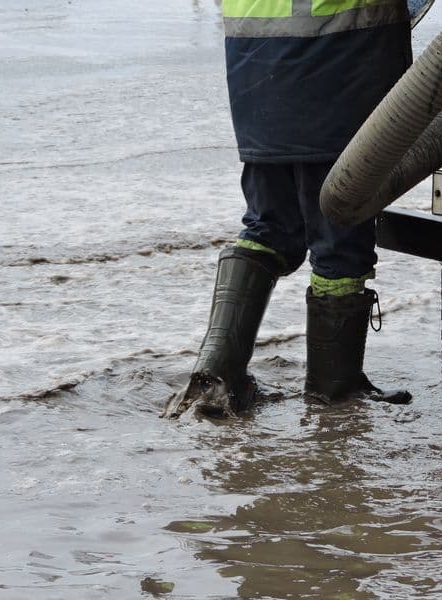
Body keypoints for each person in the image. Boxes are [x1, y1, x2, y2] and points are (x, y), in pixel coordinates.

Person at [164, 0, 414, 419]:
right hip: (340, 65)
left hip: (256, 70)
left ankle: (216, 374)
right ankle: (335, 392)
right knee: (340, 230)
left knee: (269, 226)